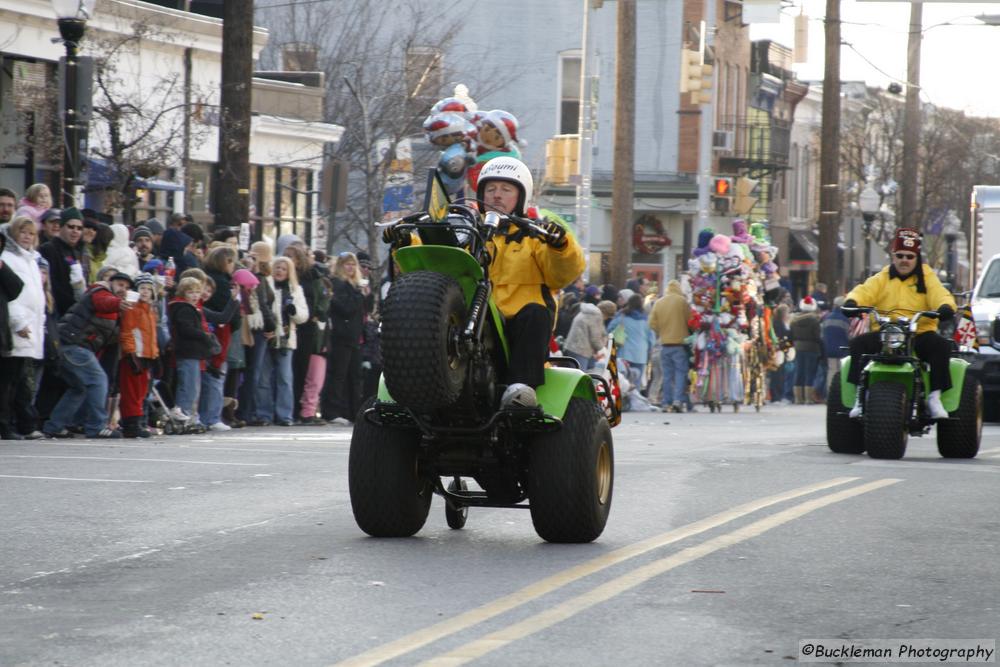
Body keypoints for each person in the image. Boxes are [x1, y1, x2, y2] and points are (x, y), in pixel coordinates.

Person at [448, 156, 585, 407]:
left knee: (536, 313)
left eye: (506, 189)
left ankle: (522, 388)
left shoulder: (535, 236)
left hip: (517, 330)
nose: (496, 195)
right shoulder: (466, 235)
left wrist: (560, 246)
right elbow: (434, 266)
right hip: (474, 323)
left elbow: (562, 275)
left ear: (521, 197)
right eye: (490, 189)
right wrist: (404, 241)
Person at [844, 227, 956, 419]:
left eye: (910, 256)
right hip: (886, 332)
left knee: (941, 347)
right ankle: (860, 397)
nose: (905, 260)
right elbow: (864, 290)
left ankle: (934, 396)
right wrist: (852, 301)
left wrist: (945, 306)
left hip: (919, 333)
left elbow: (940, 293)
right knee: (858, 345)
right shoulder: (882, 277)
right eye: (900, 255)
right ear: (893, 256)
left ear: (916, 257)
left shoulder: (927, 277)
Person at [43, 272, 133, 439]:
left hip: (68, 346)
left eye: (127, 288)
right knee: (98, 380)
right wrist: (119, 303)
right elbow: (103, 303)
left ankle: (54, 426)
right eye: (120, 285)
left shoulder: (116, 309)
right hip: (72, 345)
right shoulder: (99, 291)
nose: (123, 289)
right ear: (109, 282)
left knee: (79, 388)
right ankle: (96, 426)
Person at [321, 252, 366, 425]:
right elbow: (345, 308)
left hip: (354, 337)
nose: (351, 268)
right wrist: (359, 295)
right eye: (347, 264)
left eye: (353, 264)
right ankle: (332, 411)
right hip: (341, 336)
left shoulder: (354, 286)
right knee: (338, 375)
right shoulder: (338, 284)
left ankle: (354, 411)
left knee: (354, 376)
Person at [118, 273, 159, 438]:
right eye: (142, 288)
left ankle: (138, 421)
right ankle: (131, 424)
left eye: (149, 289)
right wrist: (130, 352)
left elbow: (152, 336)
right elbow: (127, 332)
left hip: (146, 356)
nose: (145, 292)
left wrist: (155, 354)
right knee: (131, 392)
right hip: (135, 356)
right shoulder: (133, 309)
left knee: (141, 391)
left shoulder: (150, 310)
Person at [649, 279, 692, 412]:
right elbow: (690, 320)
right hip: (680, 344)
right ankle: (677, 400)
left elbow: (652, 323)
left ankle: (666, 402)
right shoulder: (682, 302)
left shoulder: (659, 302)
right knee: (680, 373)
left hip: (665, 344)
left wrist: (662, 332)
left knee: (667, 375)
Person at [38, 208, 86, 317]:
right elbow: (52, 284)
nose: (75, 231)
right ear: (61, 227)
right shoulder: (48, 249)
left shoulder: (78, 251)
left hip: (73, 312)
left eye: (79, 228)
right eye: (71, 227)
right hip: (56, 311)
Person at [790, 295, 822, 404]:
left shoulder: (793, 320)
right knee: (810, 372)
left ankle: (798, 398)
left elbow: (791, 335)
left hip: (798, 348)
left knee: (798, 372)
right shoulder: (814, 320)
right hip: (812, 348)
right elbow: (817, 337)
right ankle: (808, 398)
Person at [821, 295, 851, 392]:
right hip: (843, 349)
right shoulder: (845, 319)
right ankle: (839, 393)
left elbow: (822, 335)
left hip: (829, 349)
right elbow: (849, 336)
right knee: (842, 372)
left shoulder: (827, 318)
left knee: (831, 371)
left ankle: (830, 393)